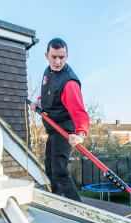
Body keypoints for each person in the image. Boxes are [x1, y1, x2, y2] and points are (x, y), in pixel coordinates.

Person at [31, 38, 90, 202]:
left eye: (61, 57)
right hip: (52, 128)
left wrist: (81, 134)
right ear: (46, 56)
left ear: (67, 56)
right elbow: (49, 94)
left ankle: (78, 210)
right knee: (49, 170)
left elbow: (80, 112)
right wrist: (39, 102)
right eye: (54, 57)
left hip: (64, 131)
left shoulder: (69, 83)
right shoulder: (47, 72)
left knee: (60, 172)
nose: (57, 62)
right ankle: (59, 203)